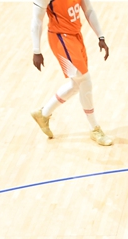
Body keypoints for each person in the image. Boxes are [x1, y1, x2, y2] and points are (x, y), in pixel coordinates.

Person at [29, 0, 113, 146]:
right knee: (85, 80)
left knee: (76, 84)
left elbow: (88, 9)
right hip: (60, 38)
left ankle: (43, 114)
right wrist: (36, 50)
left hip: (75, 35)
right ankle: (95, 129)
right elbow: (37, 19)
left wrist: (101, 36)